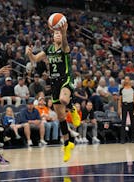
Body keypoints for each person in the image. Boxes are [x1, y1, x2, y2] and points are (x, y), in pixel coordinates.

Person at [26, 23, 81, 162]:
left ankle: (73, 109)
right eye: (55, 33)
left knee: (64, 100)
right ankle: (68, 144)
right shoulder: (49, 49)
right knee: (61, 117)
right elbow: (34, 59)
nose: (57, 34)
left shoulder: (64, 47)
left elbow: (66, 45)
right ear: (52, 36)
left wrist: (64, 33)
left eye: (59, 33)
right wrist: (29, 54)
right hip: (54, 82)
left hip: (66, 78)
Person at [118, 76, 134, 144]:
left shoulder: (133, 89)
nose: (126, 81)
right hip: (124, 105)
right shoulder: (121, 89)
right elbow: (120, 99)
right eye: (125, 79)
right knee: (123, 122)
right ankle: (122, 139)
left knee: (133, 121)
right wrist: (119, 108)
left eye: (127, 79)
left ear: (129, 80)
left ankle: (133, 138)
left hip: (131, 104)